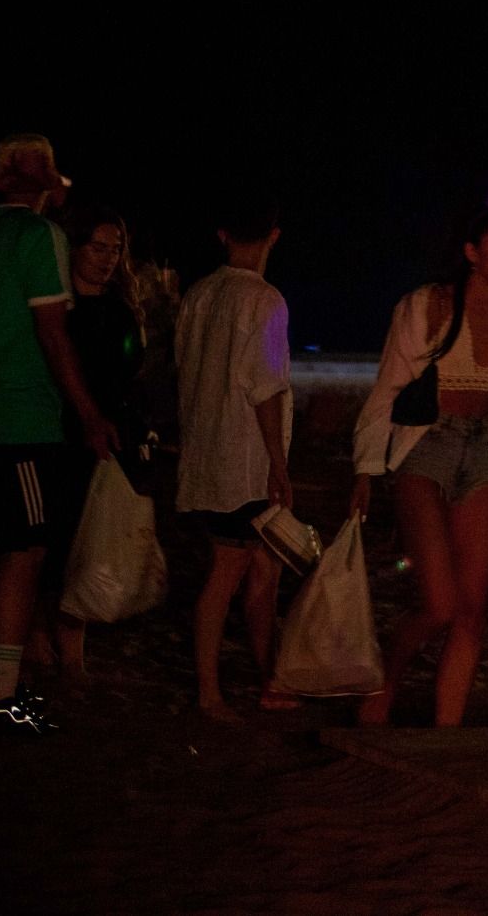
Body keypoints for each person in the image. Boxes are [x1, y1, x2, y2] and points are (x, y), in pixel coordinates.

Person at [352, 209, 488, 726]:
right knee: (438, 604)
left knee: (472, 612)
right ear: (471, 252)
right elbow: (387, 388)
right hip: (425, 447)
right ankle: (385, 677)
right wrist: (365, 469)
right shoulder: (428, 305)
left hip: (481, 449)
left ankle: (447, 733)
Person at [0, 134, 116, 735]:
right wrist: (90, 413)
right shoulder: (39, 238)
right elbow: (51, 334)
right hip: (19, 418)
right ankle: (4, 693)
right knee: (24, 552)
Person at [175, 199, 295, 721]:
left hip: (204, 454)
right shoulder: (265, 301)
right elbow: (265, 389)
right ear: (273, 236)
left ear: (224, 234)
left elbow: (183, 369)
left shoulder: (199, 295)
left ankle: (269, 678)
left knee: (263, 570)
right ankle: (210, 693)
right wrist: (278, 463)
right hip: (241, 464)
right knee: (228, 575)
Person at [31, 206, 148, 675]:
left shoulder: (120, 310)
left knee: (89, 537)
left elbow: (130, 372)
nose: (107, 259)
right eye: (98, 248)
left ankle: (71, 641)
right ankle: (41, 632)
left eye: (115, 250)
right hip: (60, 434)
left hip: (106, 436)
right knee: (51, 538)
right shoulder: (58, 311)